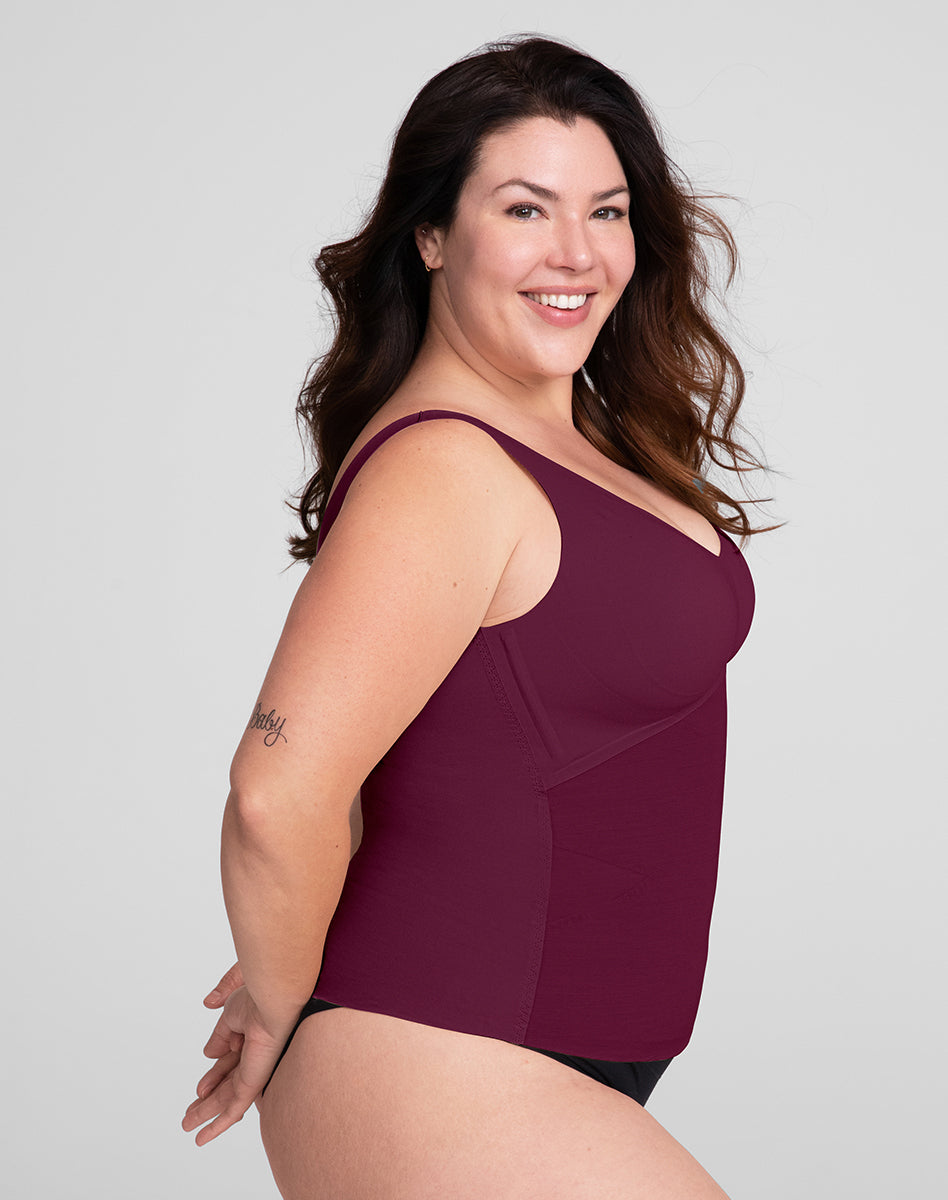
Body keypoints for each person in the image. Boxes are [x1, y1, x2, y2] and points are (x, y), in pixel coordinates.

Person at [182, 34, 771, 1199]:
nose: (576, 252)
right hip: (436, 1047)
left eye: (607, 212)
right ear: (432, 234)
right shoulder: (445, 466)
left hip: (528, 1053)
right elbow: (277, 790)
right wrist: (280, 991)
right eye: (525, 209)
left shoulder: (584, 443)